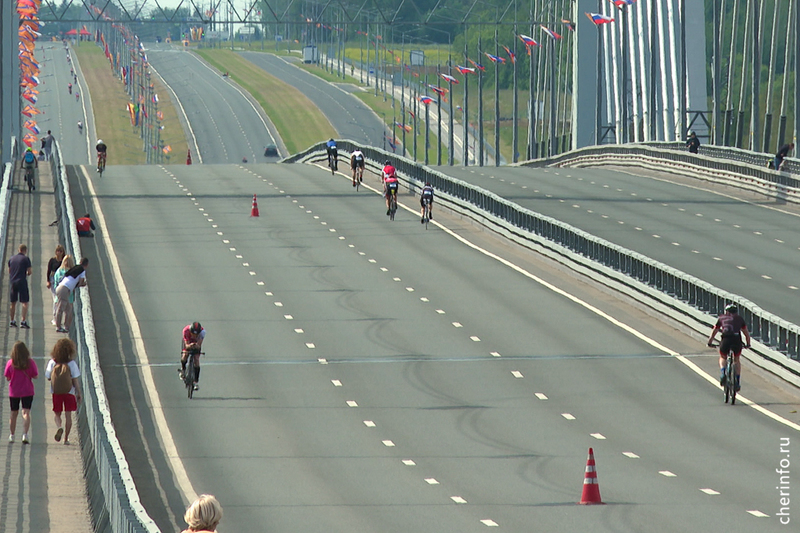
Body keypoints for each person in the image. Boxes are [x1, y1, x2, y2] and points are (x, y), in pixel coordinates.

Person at [45, 338, 82, 445]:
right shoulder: (72, 364)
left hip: (56, 392)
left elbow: (48, 377)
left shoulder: (52, 362)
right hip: (69, 393)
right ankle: (66, 439)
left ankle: (59, 427)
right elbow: (75, 379)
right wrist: (78, 393)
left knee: (57, 414)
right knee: (68, 415)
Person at [707, 304, 751, 392]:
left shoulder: (721, 318)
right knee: (736, 359)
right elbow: (746, 334)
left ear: (726, 311)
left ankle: (723, 373)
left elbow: (715, 330)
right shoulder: (740, 319)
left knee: (723, 357)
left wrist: (710, 342)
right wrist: (748, 344)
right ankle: (737, 382)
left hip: (726, 339)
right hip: (736, 340)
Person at [5, 341, 38, 444]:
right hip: (27, 391)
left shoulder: (11, 363)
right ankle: (25, 434)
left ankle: (12, 435)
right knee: (26, 413)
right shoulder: (30, 362)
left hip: (14, 391)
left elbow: (7, 377)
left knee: (13, 413)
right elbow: (35, 376)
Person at [55, 257, 88, 334]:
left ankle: (66, 327)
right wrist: (84, 284)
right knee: (60, 309)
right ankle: (58, 327)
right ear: (86, 265)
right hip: (64, 289)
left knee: (68, 309)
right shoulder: (82, 270)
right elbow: (80, 283)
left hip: (61, 287)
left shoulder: (75, 268)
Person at [8, 244, 32, 329]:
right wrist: (25, 273)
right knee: (24, 302)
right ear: (25, 250)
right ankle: (23, 321)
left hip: (13, 281)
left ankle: (12, 321)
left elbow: (9, 271)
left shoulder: (11, 258)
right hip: (22, 281)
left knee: (13, 302)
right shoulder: (26, 259)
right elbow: (29, 272)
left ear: (19, 250)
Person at [180, 322, 206, 391]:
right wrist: (190, 345)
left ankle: (196, 381)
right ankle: (183, 369)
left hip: (196, 343)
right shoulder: (185, 331)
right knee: (185, 354)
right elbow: (186, 345)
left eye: (196, 334)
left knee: (196, 359)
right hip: (188, 342)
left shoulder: (202, 332)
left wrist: (196, 345)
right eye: (193, 334)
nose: (194, 336)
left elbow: (199, 345)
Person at [46, 245, 66, 326]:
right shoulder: (52, 260)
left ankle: (59, 318)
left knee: (60, 301)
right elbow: (49, 271)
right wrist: (48, 281)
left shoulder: (64, 261)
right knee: (56, 300)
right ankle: (55, 318)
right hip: (53, 280)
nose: (59, 253)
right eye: (58, 251)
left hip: (61, 281)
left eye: (61, 251)